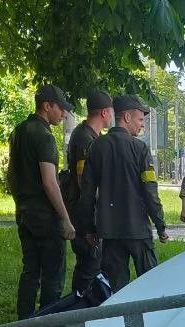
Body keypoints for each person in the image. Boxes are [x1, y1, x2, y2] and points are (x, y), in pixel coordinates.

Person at [79, 94, 168, 291]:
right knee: (150, 285)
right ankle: (151, 319)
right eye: (140, 120)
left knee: (116, 290)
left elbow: (86, 193)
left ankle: (118, 321)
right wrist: (160, 225)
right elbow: (150, 191)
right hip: (138, 231)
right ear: (126, 117)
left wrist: (88, 228)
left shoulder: (95, 147)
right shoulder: (140, 149)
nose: (142, 125)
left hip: (110, 233)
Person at [8, 84, 76, 319]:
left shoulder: (18, 131)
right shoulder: (45, 136)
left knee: (30, 271)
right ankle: (47, 326)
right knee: (53, 275)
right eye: (61, 108)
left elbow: (11, 175)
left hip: (24, 212)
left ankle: (23, 324)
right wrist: (65, 219)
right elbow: (50, 182)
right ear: (47, 106)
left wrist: (21, 202)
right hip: (45, 216)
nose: (63, 114)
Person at [64, 89, 112, 293]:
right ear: (103, 113)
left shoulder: (88, 134)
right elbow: (85, 183)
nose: (112, 116)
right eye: (111, 112)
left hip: (84, 213)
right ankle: (79, 314)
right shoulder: (86, 139)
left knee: (92, 266)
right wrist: (89, 226)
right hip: (84, 215)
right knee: (89, 267)